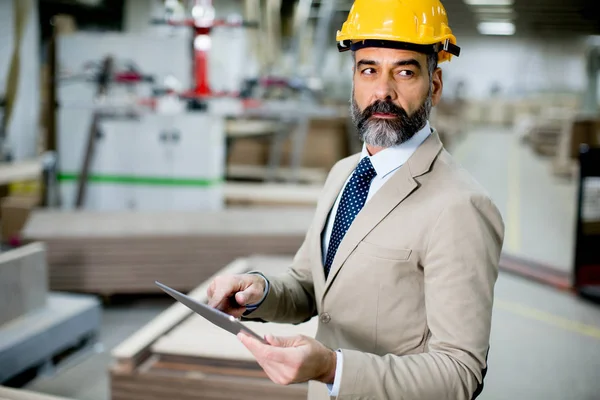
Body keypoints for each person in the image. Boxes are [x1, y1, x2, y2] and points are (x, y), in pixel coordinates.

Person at [206, 0, 505, 399]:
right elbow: (310, 287)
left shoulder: (459, 206)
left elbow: (460, 372)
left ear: (434, 85)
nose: (383, 91)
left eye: (404, 71)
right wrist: (258, 292)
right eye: (369, 70)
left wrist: (333, 367)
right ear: (354, 78)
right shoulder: (343, 173)